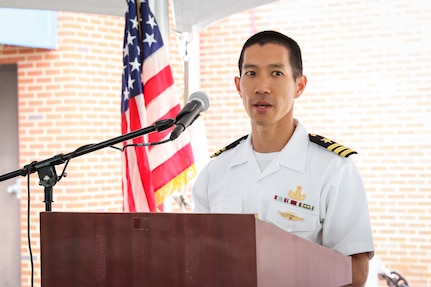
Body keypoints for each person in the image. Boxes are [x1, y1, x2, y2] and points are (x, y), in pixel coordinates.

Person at [192, 30, 374, 286]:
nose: (261, 87)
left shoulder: (333, 169)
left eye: (276, 73)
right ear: (238, 85)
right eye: (251, 73)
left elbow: (354, 273)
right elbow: (198, 259)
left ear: (299, 85)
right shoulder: (216, 171)